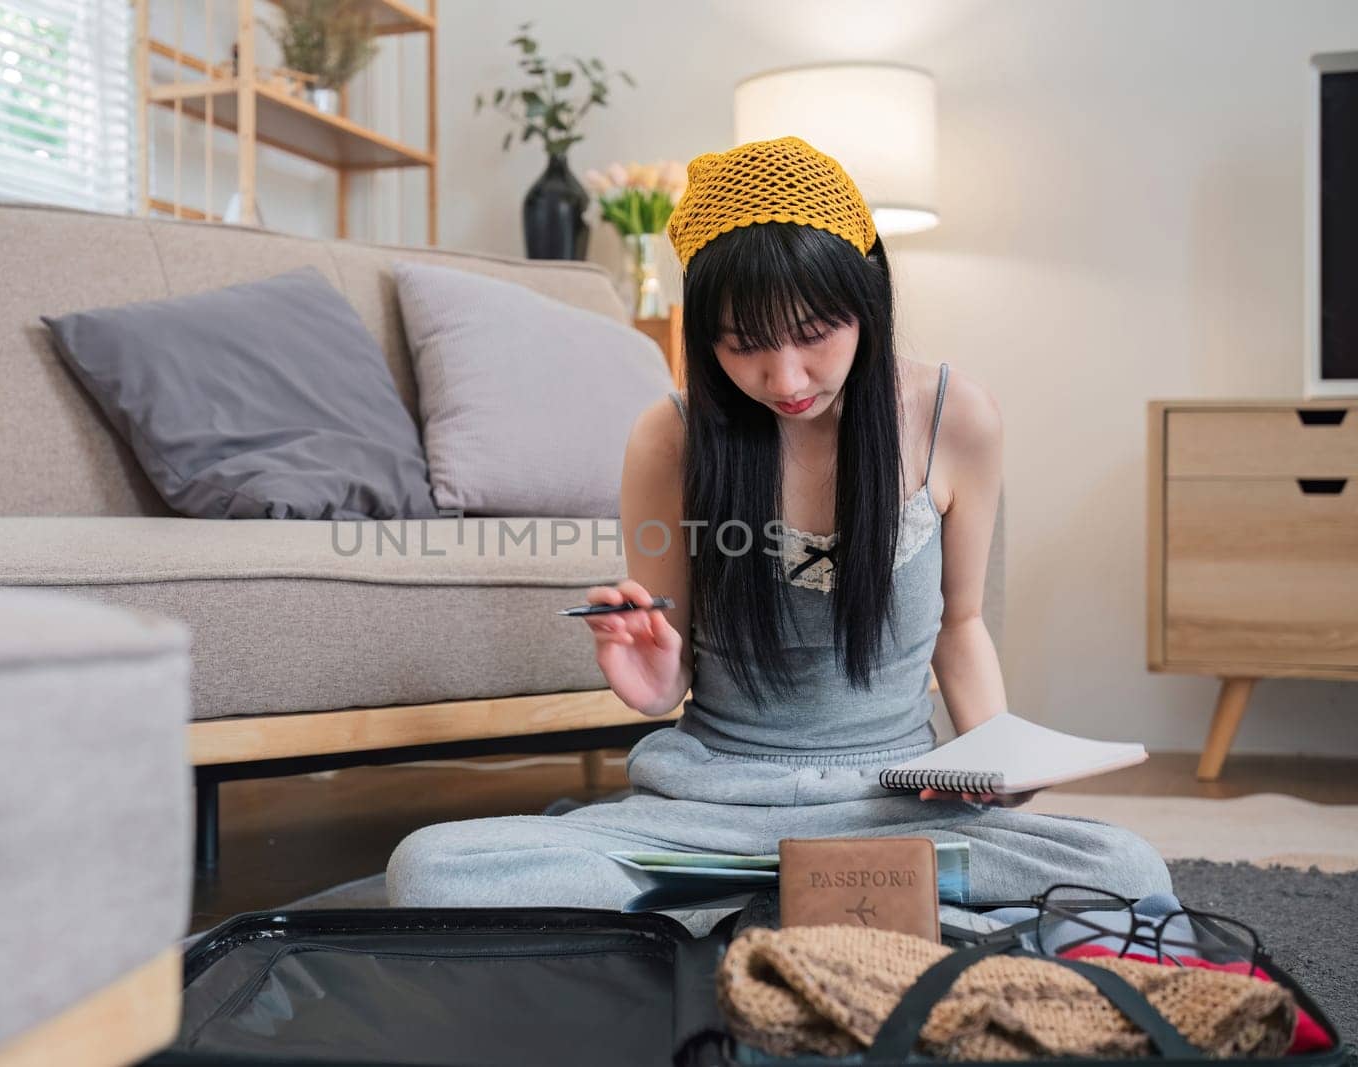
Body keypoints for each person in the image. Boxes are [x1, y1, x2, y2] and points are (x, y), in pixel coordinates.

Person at [386, 136, 1171, 933]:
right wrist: (650, 674)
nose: (786, 379)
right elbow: (670, 676)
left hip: (893, 804)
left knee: (1126, 867)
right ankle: (850, 903)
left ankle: (738, 914)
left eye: (814, 330)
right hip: (711, 808)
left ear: (866, 297)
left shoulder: (953, 417)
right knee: (430, 866)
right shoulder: (670, 439)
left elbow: (961, 625)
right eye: (745, 344)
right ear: (705, 336)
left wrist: (998, 761)